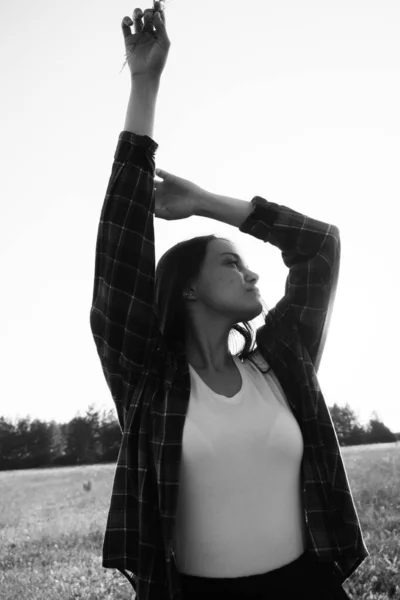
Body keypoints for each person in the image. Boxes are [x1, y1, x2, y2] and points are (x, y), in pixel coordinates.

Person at [89, 3, 369, 599]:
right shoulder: (148, 379)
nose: (251, 273)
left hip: (309, 588)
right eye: (230, 261)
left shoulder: (282, 362)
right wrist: (145, 84)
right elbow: (120, 254)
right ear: (187, 286)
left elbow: (320, 247)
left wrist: (209, 203)